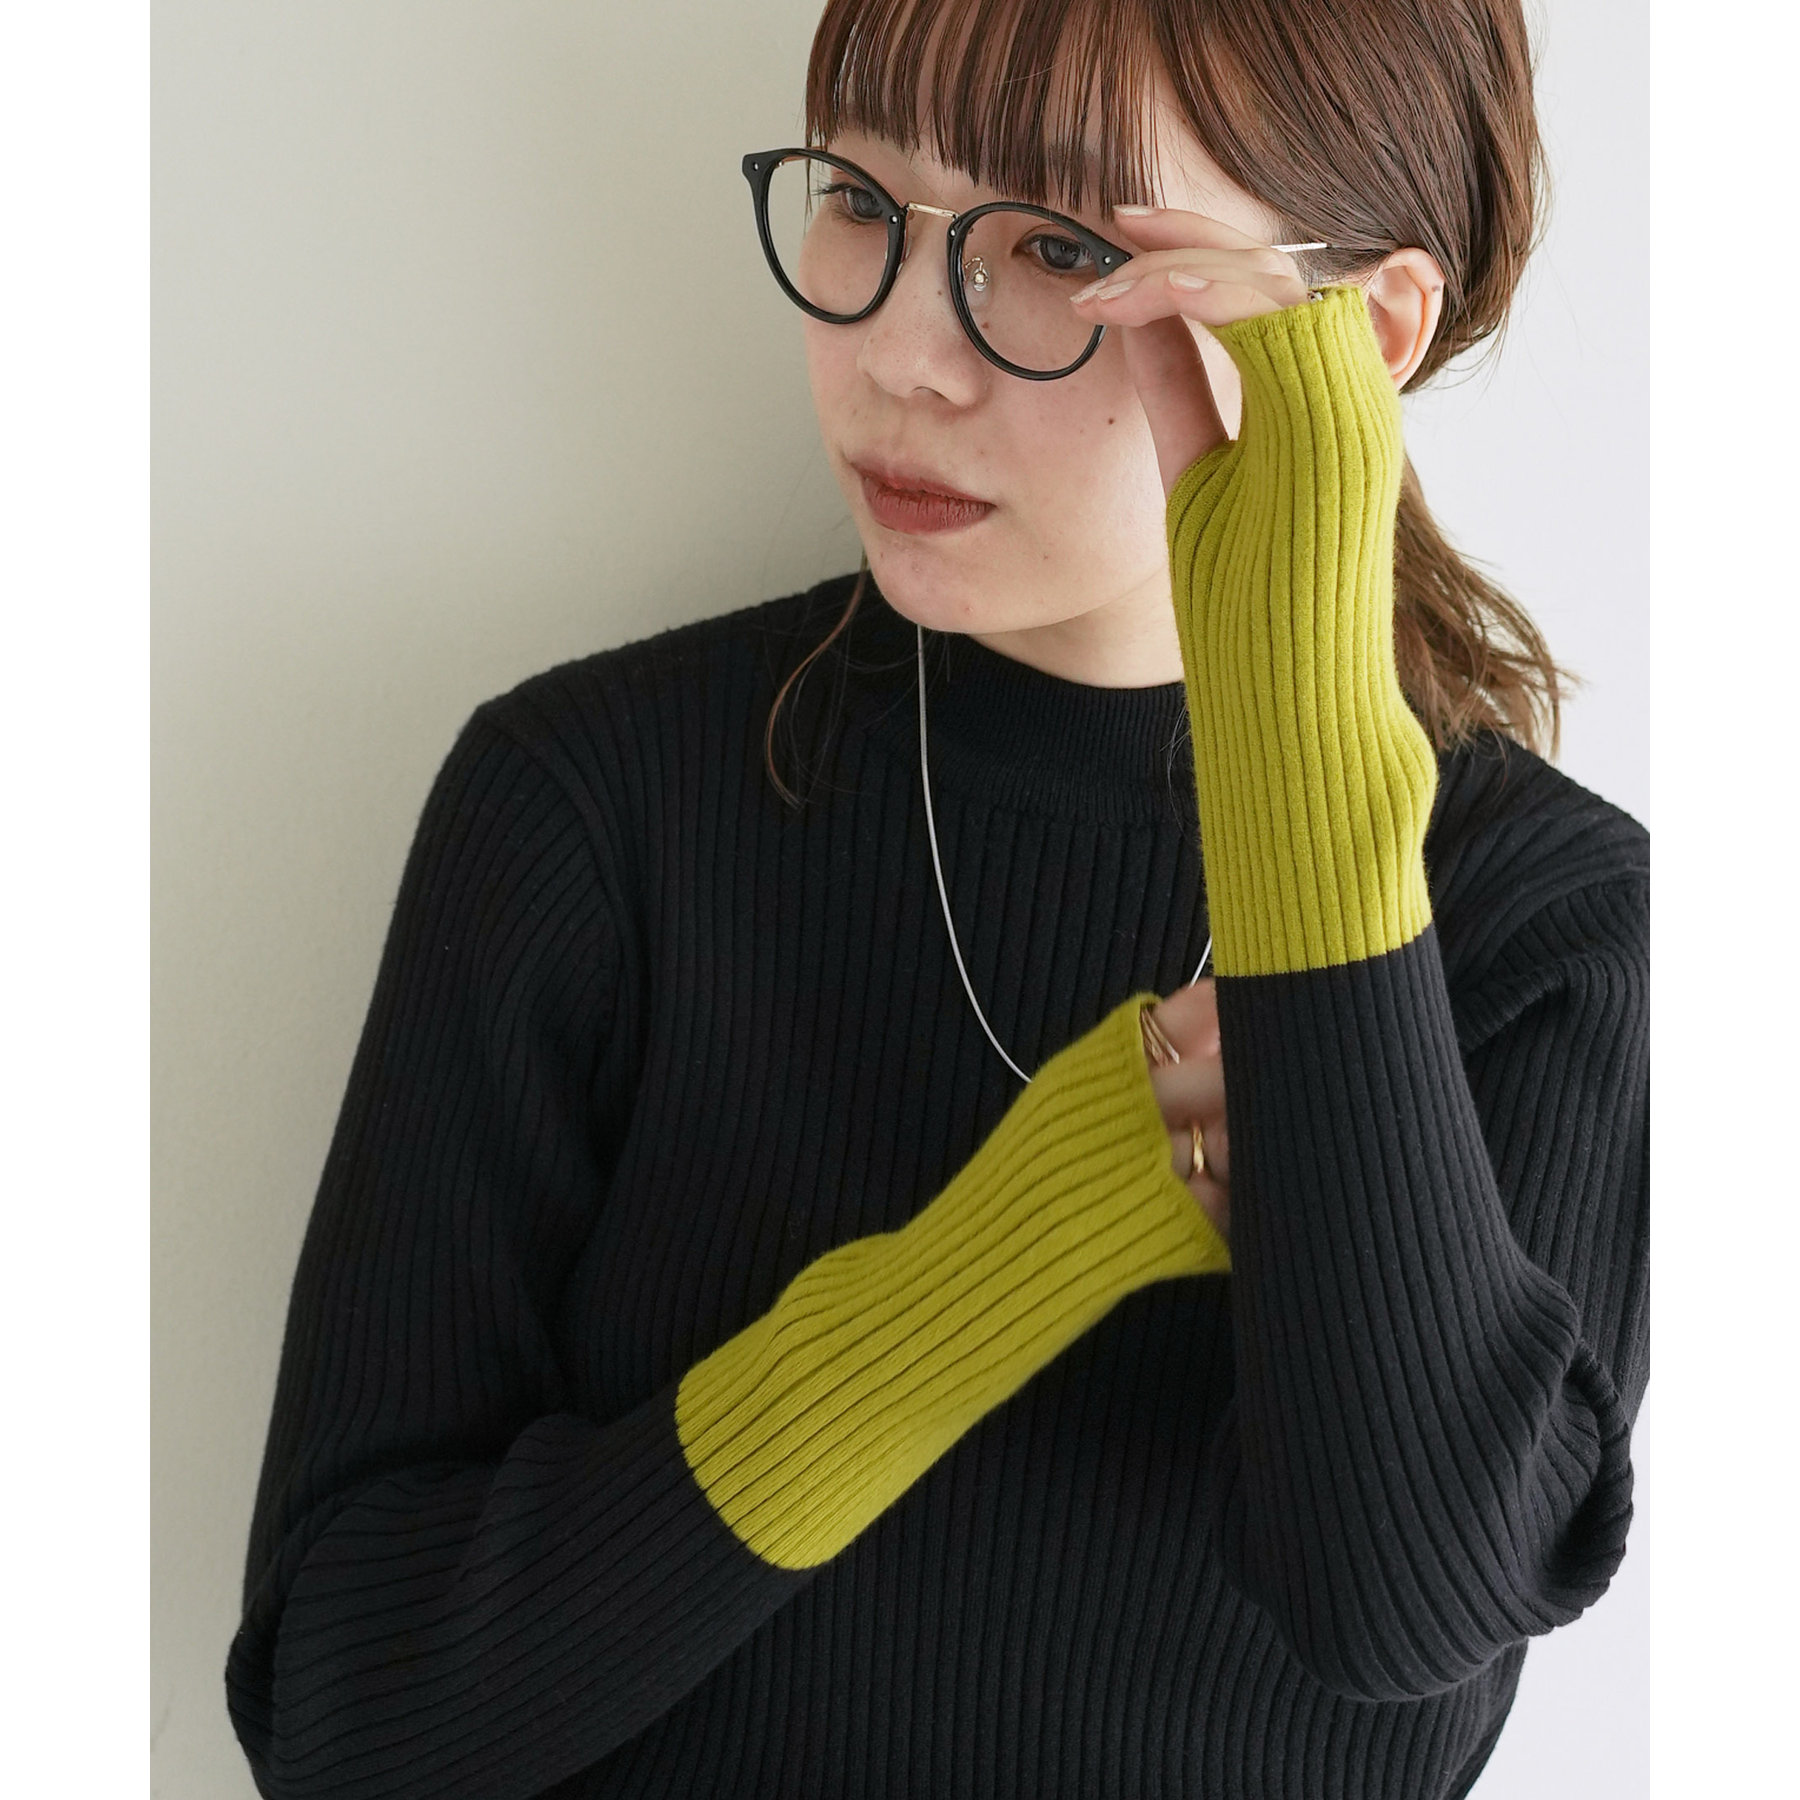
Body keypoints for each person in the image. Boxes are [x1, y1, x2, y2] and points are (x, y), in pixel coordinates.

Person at [225, 2, 1649, 1796]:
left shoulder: (1544, 928)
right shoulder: (594, 813)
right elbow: (347, 1724)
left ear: (1355, 333)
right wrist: (994, 1268)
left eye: (1059, 249)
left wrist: (1303, 785)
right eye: (861, 204)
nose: (898, 355)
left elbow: (1401, 1609)